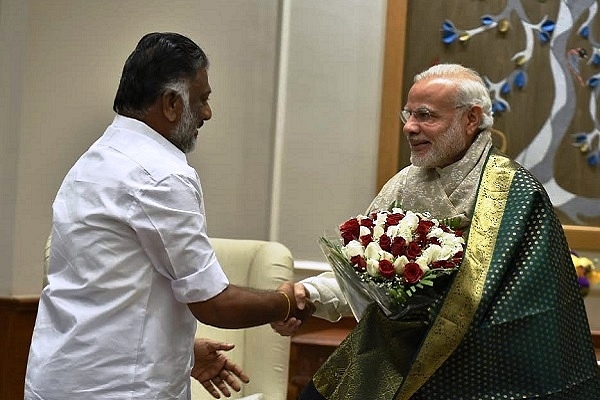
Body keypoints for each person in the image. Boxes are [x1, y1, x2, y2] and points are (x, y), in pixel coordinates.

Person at [273, 63, 600, 399]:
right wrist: (307, 295)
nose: (410, 128)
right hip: (394, 352)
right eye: (408, 114)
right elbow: (364, 275)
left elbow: (533, 308)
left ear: (471, 119)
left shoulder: (516, 192)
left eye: (426, 116)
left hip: (481, 366)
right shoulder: (403, 184)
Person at [25, 32, 312, 400]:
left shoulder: (93, 160)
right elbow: (214, 303)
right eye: (202, 99)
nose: (207, 112)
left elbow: (103, 289)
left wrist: (181, 353)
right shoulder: (162, 175)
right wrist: (287, 301)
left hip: (59, 380)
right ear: (172, 103)